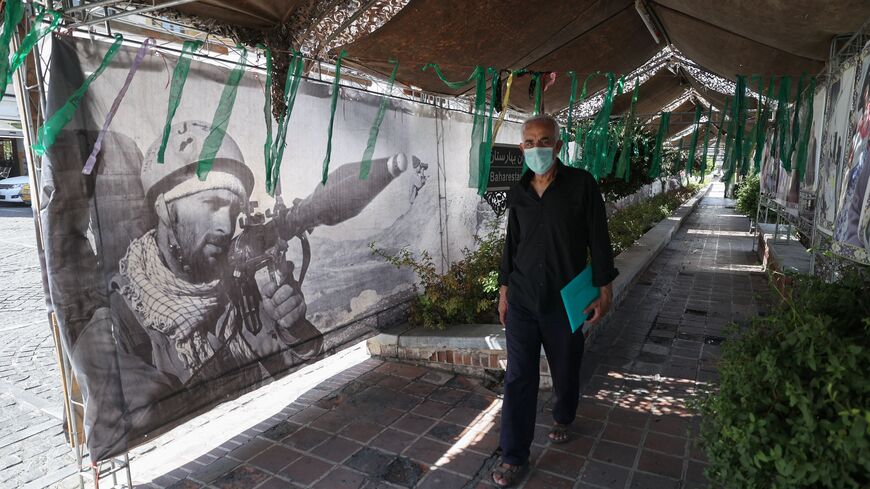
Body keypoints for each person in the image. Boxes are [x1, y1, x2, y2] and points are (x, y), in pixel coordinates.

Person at [71, 120, 316, 461]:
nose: (225, 225)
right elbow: (139, 441)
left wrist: (293, 327)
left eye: (233, 210)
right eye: (212, 203)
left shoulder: (234, 291)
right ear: (164, 208)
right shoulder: (118, 324)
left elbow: (290, 371)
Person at [491, 114, 619, 487]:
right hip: (524, 300)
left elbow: (599, 238)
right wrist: (503, 291)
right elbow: (511, 244)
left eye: (544, 141)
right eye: (529, 142)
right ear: (521, 148)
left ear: (559, 146)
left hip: (567, 300)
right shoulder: (519, 192)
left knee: (566, 367)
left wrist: (604, 289)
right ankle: (514, 455)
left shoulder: (581, 185)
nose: (536, 148)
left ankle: (564, 416)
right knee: (518, 377)